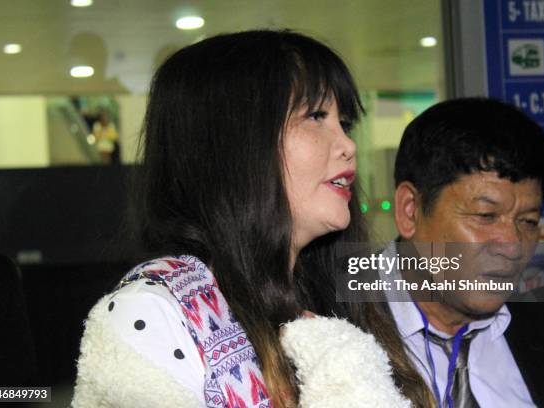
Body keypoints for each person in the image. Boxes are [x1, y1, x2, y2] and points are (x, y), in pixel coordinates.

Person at [72, 30, 433, 407]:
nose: (347, 145)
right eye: (315, 116)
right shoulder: (156, 312)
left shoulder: (341, 297)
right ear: (235, 144)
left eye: (344, 122)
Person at [385, 97, 544, 407]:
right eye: (485, 216)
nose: (511, 244)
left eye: (528, 221)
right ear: (410, 211)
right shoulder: (326, 325)